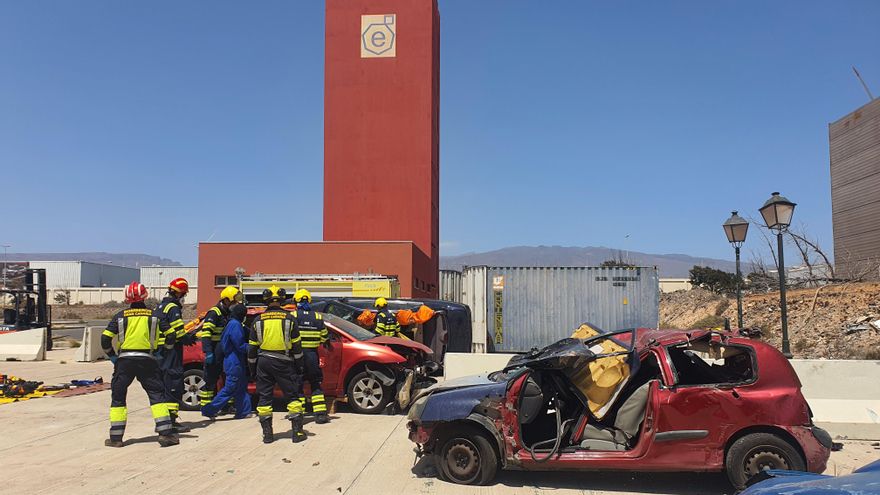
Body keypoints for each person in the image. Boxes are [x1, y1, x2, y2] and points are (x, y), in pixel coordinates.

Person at [102, 282, 178, 447]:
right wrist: (162, 353)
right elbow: (171, 336)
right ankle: (165, 434)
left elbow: (105, 339)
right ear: (145, 296)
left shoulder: (120, 316)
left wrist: (112, 357)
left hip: (125, 361)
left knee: (118, 396)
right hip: (147, 360)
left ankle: (116, 438)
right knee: (156, 395)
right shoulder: (155, 316)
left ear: (127, 298)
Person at [247, 285, 307, 443]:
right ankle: (297, 433)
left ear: (265, 301)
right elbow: (297, 347)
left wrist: (252, 369)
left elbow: (252, 349)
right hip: (284, 362)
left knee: (264, 398)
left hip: (263, 362)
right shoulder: (289, 319)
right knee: (292, 396)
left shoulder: (257, 320)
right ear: (282, 300)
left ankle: (267, 435)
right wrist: (300, 366)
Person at [201, 302, 252, 419]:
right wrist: (253, 348)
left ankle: (243, 411)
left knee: (241, 387)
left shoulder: (234, 323)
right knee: (231, 388)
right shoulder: (235, 325)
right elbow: (239, 345)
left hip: (236, 360)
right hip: (234, 361)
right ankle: (208, 410)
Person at [155, 277, 193, 432]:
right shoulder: (173, 308)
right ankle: (171, 421)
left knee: (164, 383)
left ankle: (165, 420)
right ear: (180, 293)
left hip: (160, 350)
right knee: (174, 382)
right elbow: (179, 332)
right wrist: (189, 338)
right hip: (171, 350)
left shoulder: (161, 306)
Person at [196, 286, 242, 410]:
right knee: (210, 380)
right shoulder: (214, 313)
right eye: (233, 302)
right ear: (226, 300)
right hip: (215, 350)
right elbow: (206, 333)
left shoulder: (229, 313)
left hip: (225, 351)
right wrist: (208, 352)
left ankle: (226, 405)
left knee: (227, 380)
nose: (235, 304)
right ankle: (206, 406)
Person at [293, 289, 330, 424]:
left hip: (297, 356)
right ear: (309, 301)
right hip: (312, 355)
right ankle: (320, 415)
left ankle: (299, 415)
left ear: (296, 301)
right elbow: (324, 337)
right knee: (315, 384)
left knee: (298, 385)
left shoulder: (293, 316)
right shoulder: (318, 317)